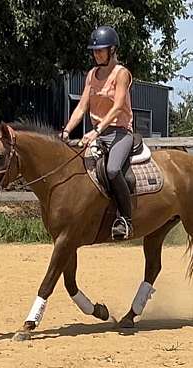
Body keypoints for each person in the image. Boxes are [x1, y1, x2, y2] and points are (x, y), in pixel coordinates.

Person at [61, 26, 134, 240]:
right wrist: (66, 130)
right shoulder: (92, 75)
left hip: (120, 133)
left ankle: (125, 219)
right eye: (94, 51)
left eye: (100, 50)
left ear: (112, 50)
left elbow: (119, 105)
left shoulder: (121, 74)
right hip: (98, 134)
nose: (96, 54)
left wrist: (95, 131)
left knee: (112, 170)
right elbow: (82, 106)